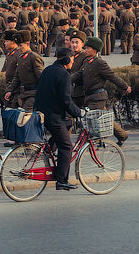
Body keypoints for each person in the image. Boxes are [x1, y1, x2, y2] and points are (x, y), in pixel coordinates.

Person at [36, 47, 85, 191]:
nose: (73, 61)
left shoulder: (48, 70)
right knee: (66, 146)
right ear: (68, 59)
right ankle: (62, 180)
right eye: (73, 58)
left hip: (42, 114)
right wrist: (78, 112)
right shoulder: (64, 75)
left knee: (67, 124)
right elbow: (66, 100)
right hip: (54, 116)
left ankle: (49, 149)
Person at [71, 36, 131, 146]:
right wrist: (65, 79)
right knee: (103, 117)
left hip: (97, 96)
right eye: (86, 48)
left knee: (89, 120)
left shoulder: (99, 63)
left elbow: (112, 76)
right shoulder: (87, 62)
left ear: (95, 50)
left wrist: (125, 86)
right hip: (90, 96)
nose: (86, 50)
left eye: (88, 48)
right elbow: (78, 75)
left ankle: (82, 143)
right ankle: (122, 135)